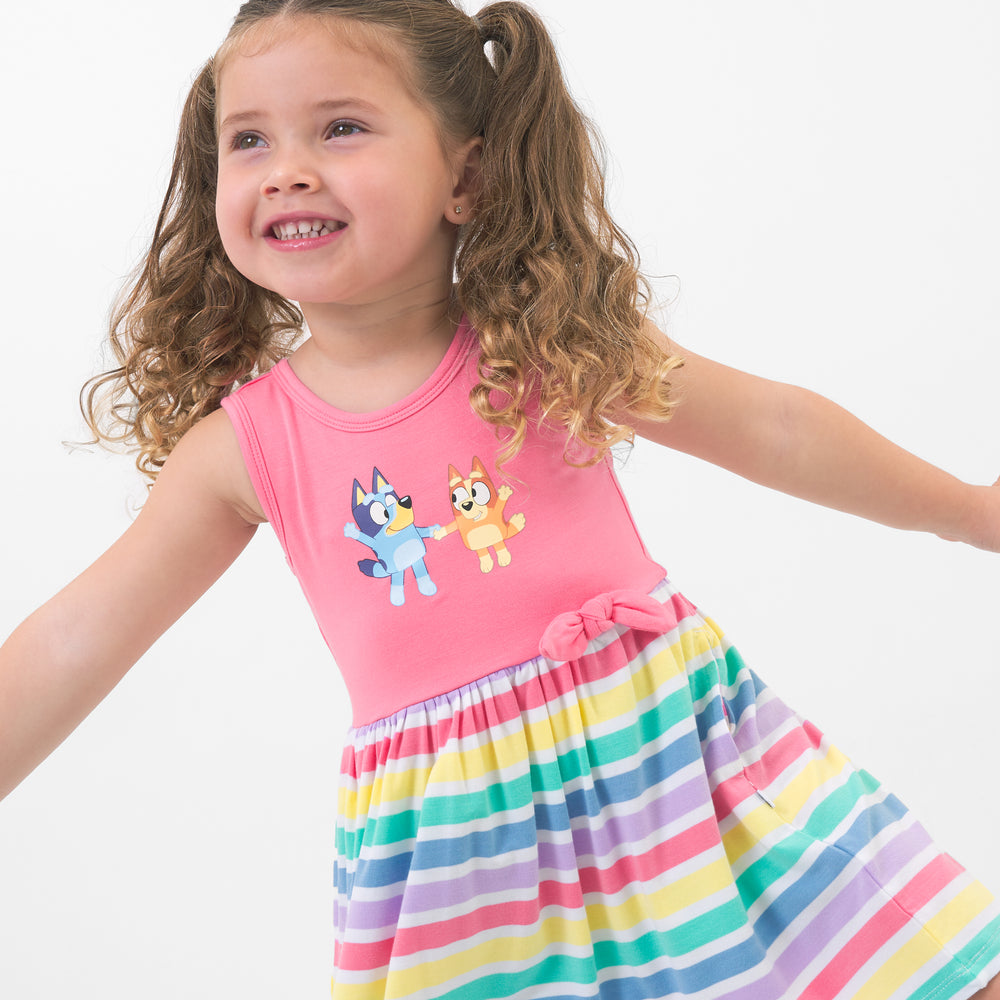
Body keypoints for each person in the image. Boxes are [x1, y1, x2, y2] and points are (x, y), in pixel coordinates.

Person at [1, 0, 998, 997]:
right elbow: (81, 633)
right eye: (249, 139)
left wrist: (970, 509)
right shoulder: (247, 448)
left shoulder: (549, 343)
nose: (288, 168)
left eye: (339, 127)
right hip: (467, 879)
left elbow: (772, 428)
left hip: (688, 785)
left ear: (466, 177)